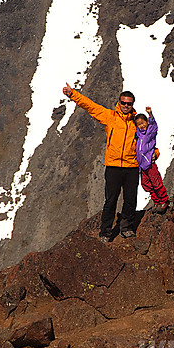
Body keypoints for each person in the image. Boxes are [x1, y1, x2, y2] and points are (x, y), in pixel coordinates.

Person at [62, 83, 139, 241]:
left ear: (132, 105)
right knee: (111, 200)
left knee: (131, 199)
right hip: (113, 166)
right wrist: (72, 94)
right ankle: (105, 232)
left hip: (132, 166)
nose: (125, 105)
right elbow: (90, 106)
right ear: (119, 103)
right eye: (123, 102)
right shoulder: (109, 116)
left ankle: (126, 228)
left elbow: (149, 140)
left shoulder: (137, 122)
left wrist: (155, 154)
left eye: (129, 103)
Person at [134, 107, 170, 213]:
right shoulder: (138, 134)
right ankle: (156, 201)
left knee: (156, 182)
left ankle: (164, 200)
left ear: (146, 122)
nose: (142, 125)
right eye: (139, 124)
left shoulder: (150, 131)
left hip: (150, 163)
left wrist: (150, 115)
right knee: (147, 184)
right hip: (141, 166)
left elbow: (154, 126)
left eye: (143, 123)